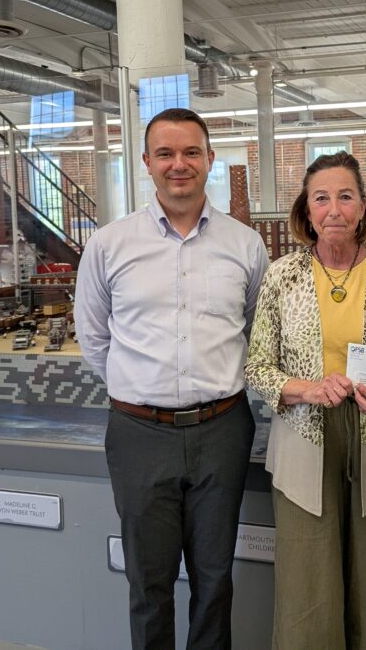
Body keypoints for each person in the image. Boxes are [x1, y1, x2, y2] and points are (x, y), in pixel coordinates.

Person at [74, 107, 268, 650]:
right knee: (148, 582)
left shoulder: (245, 245)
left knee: (215, 578)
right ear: (146, 162)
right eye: (165, 153)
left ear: (209, 160)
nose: (178, 164)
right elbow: (94, 339)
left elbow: (256, 329)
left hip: (222, 429)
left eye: (190, 152)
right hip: (139, 434)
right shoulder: (109, 245)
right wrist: (144, 390)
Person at [245, 151, 366, 649]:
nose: (334, 209)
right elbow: (257, 366)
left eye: (346, 197)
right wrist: (309, 389)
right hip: (304, 434)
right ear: (307, 210)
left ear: (363, 207)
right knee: (308, 581)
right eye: (321, 198)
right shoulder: (282, 276)